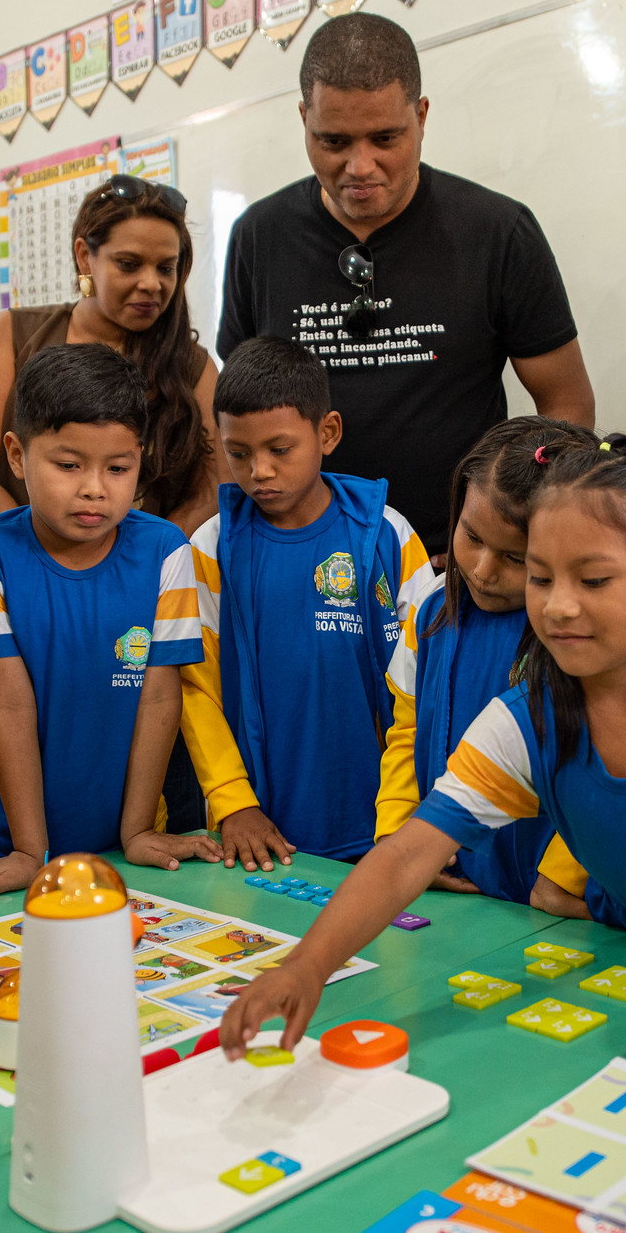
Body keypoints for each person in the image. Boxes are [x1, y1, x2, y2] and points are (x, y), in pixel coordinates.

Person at [215, 436, 626, 1056]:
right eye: (541, 578)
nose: (560, 607)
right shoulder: (524, 722)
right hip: (620, 945)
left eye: (594, 580)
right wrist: (306, 967)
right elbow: (410, 853)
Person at [217, 12, 596, 558]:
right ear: (303, 119)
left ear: (421, 116)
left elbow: (565, 402)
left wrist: (505, 537)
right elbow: (236, 409)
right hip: (299, 558)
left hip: (457, 565)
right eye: (333, 141)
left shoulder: (497, 232)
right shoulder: (259, 236)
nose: (359, 166)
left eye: (385, 138)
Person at [0, 175, 220, 869]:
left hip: (132, 620)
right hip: (21, 614)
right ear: (84, 256)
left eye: (168, 265)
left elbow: (216, 486)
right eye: (129, 263)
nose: (151, 282)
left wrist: (129, 563)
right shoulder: (14, 333)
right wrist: (47, 568)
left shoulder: (190, 362)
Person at [181, 338, 434, 868]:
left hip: (386, 830)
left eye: (279, 449)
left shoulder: (387, 536)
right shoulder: (210, 548)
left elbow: (423, 689)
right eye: (239, 453)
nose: (259, 472)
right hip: (257, 838)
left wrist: (403, 823)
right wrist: (233, 804)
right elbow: (193, 689)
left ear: (327, 433)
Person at [375, 415, 594, 908]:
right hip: (447, 885)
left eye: (516, 558)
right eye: (471, 537)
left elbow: (617, 766)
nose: (482, 570)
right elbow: (407, 730)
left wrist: (563, 876)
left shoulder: (585, 632)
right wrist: (398, 837)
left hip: (553, 901)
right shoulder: (432, 609)